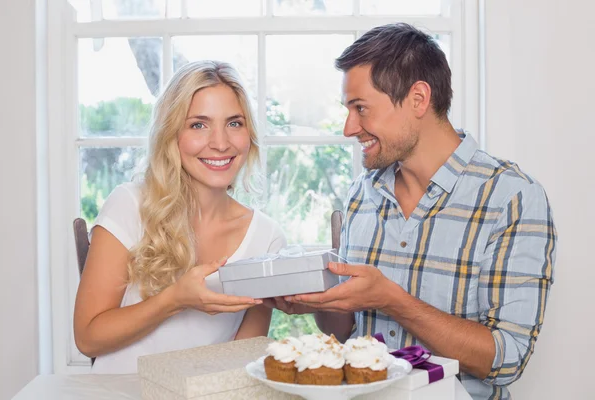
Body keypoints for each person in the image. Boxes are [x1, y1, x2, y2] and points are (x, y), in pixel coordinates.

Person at [266, 24, 557, 399]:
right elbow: (347, 332)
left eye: (361, 108)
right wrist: (316, 299)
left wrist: (392, 300)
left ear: (418, 98)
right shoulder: (361, 195)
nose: (348, 128)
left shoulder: (512, 197)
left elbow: (506, 358)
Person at [74, 61, 286, 374]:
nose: (220, 143)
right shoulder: (130, 204)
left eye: (235, 123)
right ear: (172, 134)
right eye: (198, 124)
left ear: (249, 135)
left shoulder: (266, 237)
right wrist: (175, 299)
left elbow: (241, 363)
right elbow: (88, 339)